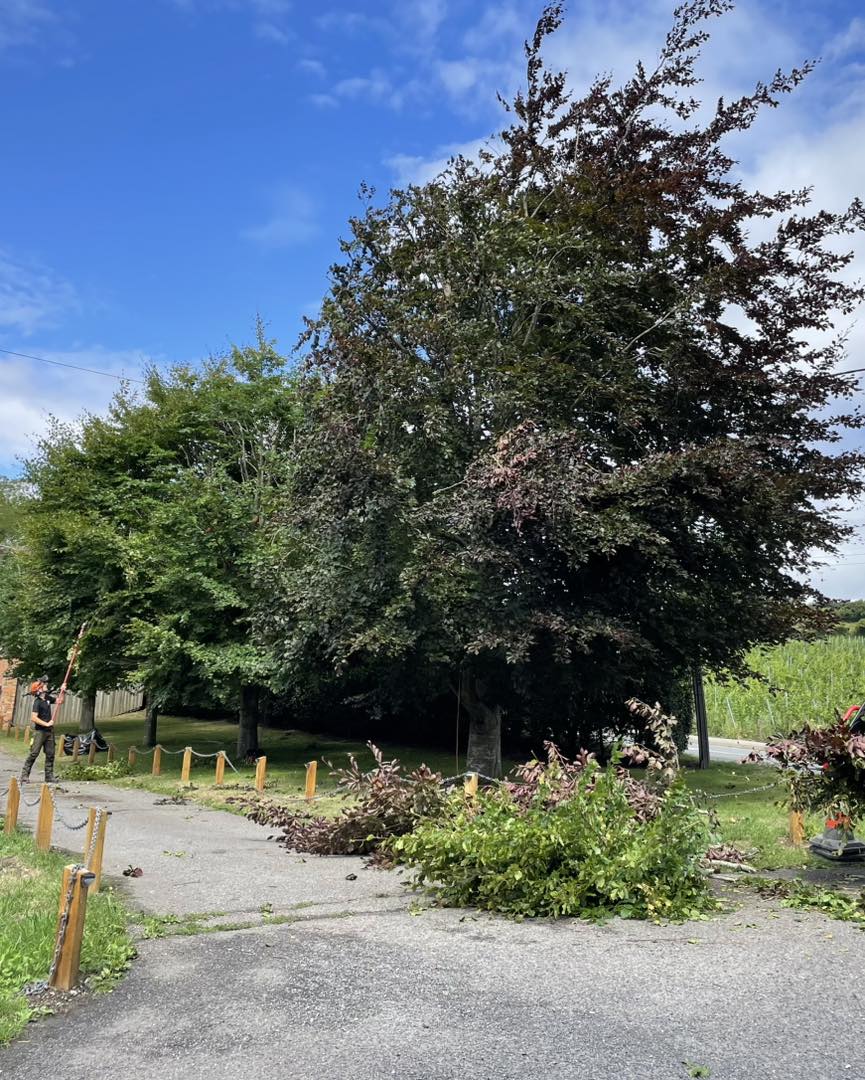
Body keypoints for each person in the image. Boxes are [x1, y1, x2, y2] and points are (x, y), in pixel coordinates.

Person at [20, 686, 57, 783]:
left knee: (50, 754)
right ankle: (24, 775)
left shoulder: (48, 698)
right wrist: (46, 724)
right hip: (40, 732)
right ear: (39, 690)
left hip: (49, 732)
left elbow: (60, 701)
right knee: (34, 753)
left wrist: (63, 690)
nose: (45, 685)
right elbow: (34, 718)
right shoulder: (37, 702)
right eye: (43, 685)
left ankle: (49, 776)